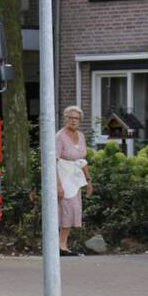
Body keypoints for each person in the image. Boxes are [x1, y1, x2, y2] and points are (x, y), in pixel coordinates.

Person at [56, 105, 93, 256]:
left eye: (76, 118)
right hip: (63, 177)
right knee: (66, 210)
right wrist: (58, 185)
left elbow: (82, 160)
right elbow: (54, 161)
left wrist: (89, 181)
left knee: (74, 210)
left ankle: (63, 244)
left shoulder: (81, 136)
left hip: (76, 179)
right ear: (65, 119)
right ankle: (60, 246)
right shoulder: (60, 136)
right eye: (70, 118)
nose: (73, 121)